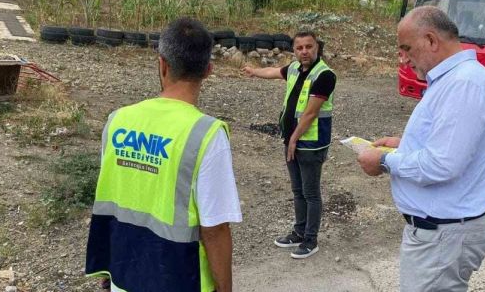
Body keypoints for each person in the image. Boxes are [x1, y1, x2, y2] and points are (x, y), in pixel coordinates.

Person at [85, 18, 242, 292]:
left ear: (162, 65)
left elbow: (115, 196)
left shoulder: (117, 121)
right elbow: (215, 230)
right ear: (208, 70)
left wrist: (109, 269)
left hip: (124, 274)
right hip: (179, 279)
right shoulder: (206, 134)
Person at [358, 6, 485, 292]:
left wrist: (386, 161)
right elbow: (453, 145)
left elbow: (443, 164)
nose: (403, 58)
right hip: (440, 234)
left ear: (431, 41)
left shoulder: (464, 84)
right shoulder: (456, 80)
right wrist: (404, 144)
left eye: (406, 48)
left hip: (443, 235)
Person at [242, 31, 336, 259]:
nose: (304, 51)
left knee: (311, 193)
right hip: (291, 140)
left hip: (311, 143)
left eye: (309, 47)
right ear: (294, 50)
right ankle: (298, 231)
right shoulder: (294, 69)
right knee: (297, 190)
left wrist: (293, 139)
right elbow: (274, 71)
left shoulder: (325, 75)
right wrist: (254, 71)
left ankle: (310, 240)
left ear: (317, 48)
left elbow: (311, 112)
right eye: (299, 48)